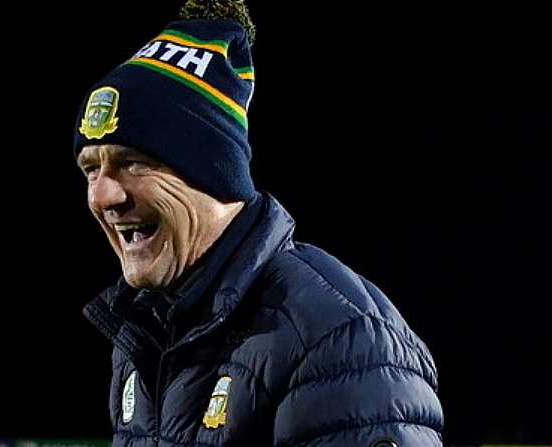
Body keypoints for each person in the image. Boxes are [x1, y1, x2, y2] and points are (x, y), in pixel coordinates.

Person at [73, 1, 444, 445]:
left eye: (132, 162)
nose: (103, 196)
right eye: (90, 169)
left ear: (209, 168)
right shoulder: (142, 335)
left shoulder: (338, 337)